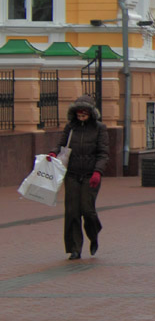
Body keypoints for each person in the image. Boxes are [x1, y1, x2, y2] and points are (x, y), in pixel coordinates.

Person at [49, 96, 108, 260]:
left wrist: (98, 172)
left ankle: (94, 234)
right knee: (72, 212)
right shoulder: (71, 127)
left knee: (87, 210)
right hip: (73, 174)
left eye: (84, 115)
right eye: (78, 115)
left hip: (91, 175)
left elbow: (103, 153)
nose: (81, 117)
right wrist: (53, 152)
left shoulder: (99, 129)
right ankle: (74, 249)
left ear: (91, 114)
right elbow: (61, 145)